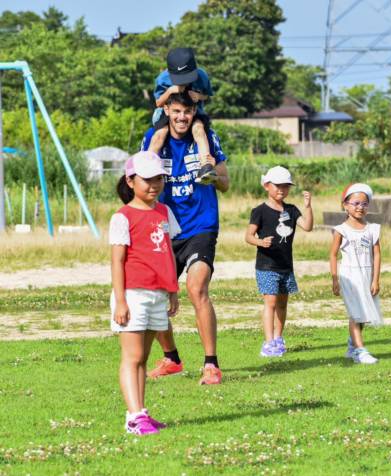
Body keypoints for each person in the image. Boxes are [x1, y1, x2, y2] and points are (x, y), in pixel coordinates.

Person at [142, 90, 230, 385]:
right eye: (176, 111)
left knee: (196, 287)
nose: (182, 117)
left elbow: (227, 183)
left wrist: (211, 173)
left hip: (201, 227)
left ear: (195, 112)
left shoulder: (206, 138)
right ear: (166, 109)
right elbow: (139, 185)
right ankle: (172, 358)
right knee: (153, 298)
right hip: (165, 229)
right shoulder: (153, 139)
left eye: (187, 112)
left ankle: (211, 365)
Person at [109, 151, 181, 434]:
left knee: (143, 359)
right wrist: (121, 300)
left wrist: (172, 289)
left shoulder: (164, 212)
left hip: (157, 294)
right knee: (132, 357)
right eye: (147, 179)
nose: (154, 185)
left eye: (159, 179)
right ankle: (133, 417)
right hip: (132, 294)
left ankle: (140, 413)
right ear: (130, 181)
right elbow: (117, 260)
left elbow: (168, 253)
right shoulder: (122, 217)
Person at [245, 166, 313, 357]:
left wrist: (308, 206)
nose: (281, 189)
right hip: (266, 265)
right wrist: (260, 242)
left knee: (282, 304)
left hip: (286, 266)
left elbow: (307, 226)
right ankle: (268, 343)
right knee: (271, 303)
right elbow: (248, 236)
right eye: (277, 185)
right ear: (267, 185)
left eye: (286, 186)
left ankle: (278, 338)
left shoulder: (292, 210)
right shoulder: (259, 211)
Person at [329, 183, 383, 364]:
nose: (360, 207)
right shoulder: (341, 230)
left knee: (364, 315)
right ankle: (360, 351)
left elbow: (376, 254)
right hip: (349, 277)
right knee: (355, 313)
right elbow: (333, 254)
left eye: (364, 204)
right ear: (345, 205)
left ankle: (352, 347)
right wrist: (335, 279)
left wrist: (375, 279)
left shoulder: (372, 230)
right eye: (356, 203)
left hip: (366, 276)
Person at [148, 47, 216, 184]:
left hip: (193, 112)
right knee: (160, 134)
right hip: (167, 113)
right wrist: (169, 91)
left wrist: (199, 96)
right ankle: (147, 165)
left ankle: (205, 167)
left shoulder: (201, 76)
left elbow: (207, 96)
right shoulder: (163, 79)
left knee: (198, 129)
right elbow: (158, 103)